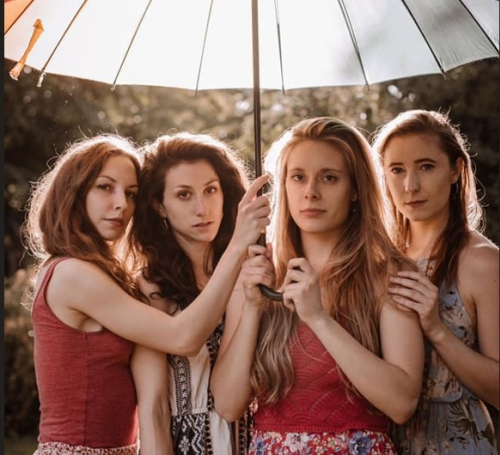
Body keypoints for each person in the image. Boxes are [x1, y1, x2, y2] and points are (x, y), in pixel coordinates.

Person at [23, 134, 270, 455]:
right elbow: (181, 339)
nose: (121, 204)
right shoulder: (73, 274)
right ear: (74, 191)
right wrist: (238, 245)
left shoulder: (103, 275)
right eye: (105, 187)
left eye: (130, 193)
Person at [210, 117, 425, 455]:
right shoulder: (259, 273)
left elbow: (402, 403)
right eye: (298, 177)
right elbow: (227, 404)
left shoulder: (387, 275)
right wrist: (252, 307)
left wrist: (318, 318)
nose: (310, 191)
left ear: (355, 189)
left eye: (329, 177)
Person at [372, 109, 499, 454]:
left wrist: (436, 329)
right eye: (397, 170)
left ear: (455, 170)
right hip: (383, 440)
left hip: (456, 443)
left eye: (426, 167)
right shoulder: (380, 259)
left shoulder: (482, 262)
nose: (410, 186)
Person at [129, 132, 255, 455]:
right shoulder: (151, 287)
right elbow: (154, 407)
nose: (202, 208)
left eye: (210, 190)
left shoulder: (254, 272)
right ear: (160, 206)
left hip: (257, 440)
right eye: (184, 195)